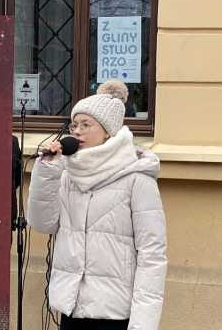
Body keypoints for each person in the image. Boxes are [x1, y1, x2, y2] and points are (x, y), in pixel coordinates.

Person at [27, 79, 167, 330]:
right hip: (73, 309)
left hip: (115, 316)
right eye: (74, 125)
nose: (77, 131)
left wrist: (143, 324)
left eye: (86, 124)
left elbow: (152, 254)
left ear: (108, 131)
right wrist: (47, 170)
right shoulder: (67, 173)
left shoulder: (136, 178)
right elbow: (42, 223)